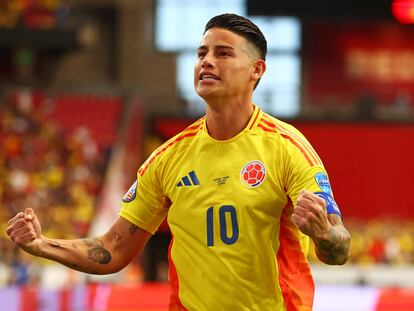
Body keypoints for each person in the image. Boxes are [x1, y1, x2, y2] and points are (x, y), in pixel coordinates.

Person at [7, 13, 350, 311]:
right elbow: (113, 249)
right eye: (202, 53)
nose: (206, 62)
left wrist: (321, 232)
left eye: (223, 53)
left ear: (256, 70)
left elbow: (339, 248)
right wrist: (42, 245)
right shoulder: (168, 158)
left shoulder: (288, 149)